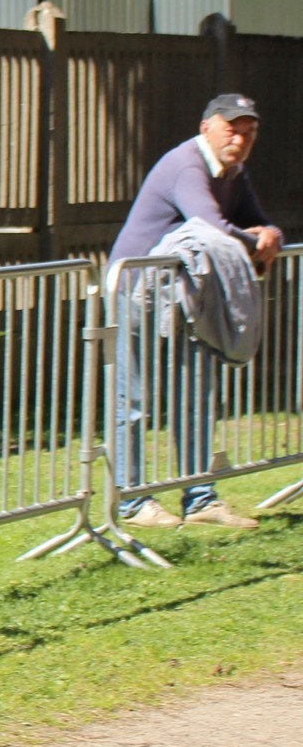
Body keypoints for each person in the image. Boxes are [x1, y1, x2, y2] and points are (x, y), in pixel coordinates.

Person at [107, 93, 283, 530]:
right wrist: (259, 240)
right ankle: (131, 502)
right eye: (232, 129)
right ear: (207, 128)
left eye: (249, 133)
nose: (240, 140)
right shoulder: (186, 164)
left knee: (196, 395)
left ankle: (200, 498)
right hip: (137, 290)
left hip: (186, 295)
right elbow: (211, 227)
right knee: (133, 398)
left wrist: (271, 233)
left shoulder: (235, 171)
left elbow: (256, 220)